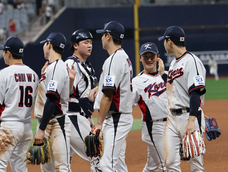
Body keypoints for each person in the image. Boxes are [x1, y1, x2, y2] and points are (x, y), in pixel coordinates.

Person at [0, 36, 39, 171]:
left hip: (8, 128)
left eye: (4, 51)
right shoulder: (33, 74)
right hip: (26, 127)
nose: (3, 55)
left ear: (9, 53)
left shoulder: (3, 73)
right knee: (19, 166)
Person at [158, 26, 206, 172]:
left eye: (164, 41)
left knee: (195, 162)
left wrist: (192, 121)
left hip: (188, 117)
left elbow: (196, 92)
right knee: (170, 163)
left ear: (170, 42)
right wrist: (162, 74)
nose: (164, 44)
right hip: (172, 117)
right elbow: (175, 86)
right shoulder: (173, 63)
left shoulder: (192, 61)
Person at [91, 21, 134, 172]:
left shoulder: (114, 59)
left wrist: (99, 124)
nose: (101, 38)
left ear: (108, 36)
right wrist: (99, 87)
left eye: (103, 34)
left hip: (116, 118)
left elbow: (108, 96)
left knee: (106, 164)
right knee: (119, 165)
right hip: (120, 116)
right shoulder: (123, 57)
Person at [33, 32, 71, 171]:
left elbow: (52, 99)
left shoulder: (57, 67)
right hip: (47, 122)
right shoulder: (52, 68)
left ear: (49, 45)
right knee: (47, 169)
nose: (44, 47)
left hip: (56, 123)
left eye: (45, 44)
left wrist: (41, 129)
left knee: (62, 168)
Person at [65, 29, 101, 172]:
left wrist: (89, 116)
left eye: (91, 42)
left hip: (80, 116)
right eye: (85, 42)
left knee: (64, 162)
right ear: (75, 45)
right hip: (72, 116)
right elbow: (68, 93)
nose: (90, 45)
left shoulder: (87, 66)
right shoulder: (70, 63)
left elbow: (85, 94)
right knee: (96, 156)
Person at [132, 42, 168, 172]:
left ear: (158, 57)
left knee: (152, 166)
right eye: (145, 56)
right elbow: (127, 104)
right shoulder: (136, 82)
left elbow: (180, 97)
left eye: (152, 56)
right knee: (167, 164)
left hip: (171, 125)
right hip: (153, 127)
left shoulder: (166, 76)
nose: (149, 59)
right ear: (140, 58)